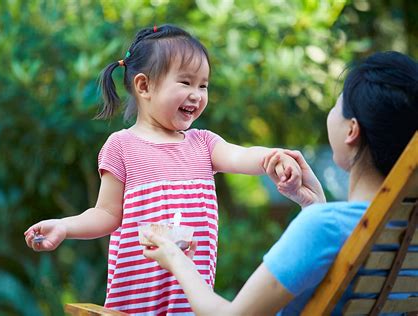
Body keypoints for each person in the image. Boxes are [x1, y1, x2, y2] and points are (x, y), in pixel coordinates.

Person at [24, 24, 302, 315]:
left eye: (203, 85)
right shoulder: (122, 146)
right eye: (185, 82)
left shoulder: (204, 144)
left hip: (191, 304)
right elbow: (105, 214)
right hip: (134, 305)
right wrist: (64, 226)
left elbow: (240, 155)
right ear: (144, 86)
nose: (197, 94)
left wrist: (272, 157)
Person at [143, 50, 418, 315]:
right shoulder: (406, 229)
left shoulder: (325, 227)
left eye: (337, 104)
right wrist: (314, 204)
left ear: (351, 130)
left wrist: (176, 259)